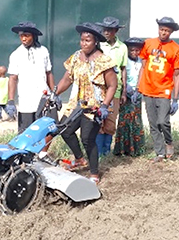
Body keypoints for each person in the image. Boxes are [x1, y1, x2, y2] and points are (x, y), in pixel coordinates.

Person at [55, 22, 118, 184]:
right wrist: (54, 93)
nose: (84, 43)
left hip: (95, 107)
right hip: (76, 104)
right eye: (82, 40)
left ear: (95, 41)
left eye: (87, 41)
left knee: (87, 139)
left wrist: (105, 105)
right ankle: (79, 159)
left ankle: (94, 173)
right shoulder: (76, 57)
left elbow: (112, 85)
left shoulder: (104, 61)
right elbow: (67, 79)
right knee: (64, 130)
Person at [7, 21, 58, 158]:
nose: (23, 38)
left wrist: (54, 93)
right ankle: (27, 157)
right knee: (27, 132)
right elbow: (13, 78)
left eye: (27, 35)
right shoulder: (16, 54)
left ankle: (43, 153)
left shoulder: (43, 51)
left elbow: (49, 73)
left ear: (34, 36)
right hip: (26, 100)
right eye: (21, 36)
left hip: (44, 98)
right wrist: (11, 101)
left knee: (50, 128)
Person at [138, 17, 179, 162]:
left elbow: (177, 75)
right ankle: (159, 152)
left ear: (171, 32)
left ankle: (168, 141)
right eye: (162, 29)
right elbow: (143, 66)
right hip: (148, 88)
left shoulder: (177, 49)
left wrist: (175, 98)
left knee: (163, 121)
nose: (164, 33)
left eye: (167, 31)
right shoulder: (148, 43)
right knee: (153, 123)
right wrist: (139, 87)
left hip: (164, 89)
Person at [95, 16, 128, 156]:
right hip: (99, 89)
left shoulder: (122, 47)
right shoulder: (99, 45)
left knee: (110, 121)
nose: (106, 33)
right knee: (97, 120)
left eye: (109, 30)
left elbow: (123, 69)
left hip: (115, 89)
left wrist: (124, 91)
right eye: (105, 30)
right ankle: (96, 151)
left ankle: (106, 152)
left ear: (115, 31)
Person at [113, 37, 145, 157]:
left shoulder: (141, 61)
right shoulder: (125, 61)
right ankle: (122, 148)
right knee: (124, 120)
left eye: (137, 51)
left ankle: (136, 149)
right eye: (132, 50)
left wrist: (138, 90)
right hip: (125, 94)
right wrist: (126, 89)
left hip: (137, 94)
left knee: (136, 120)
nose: (134, 53)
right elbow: (121, 74)